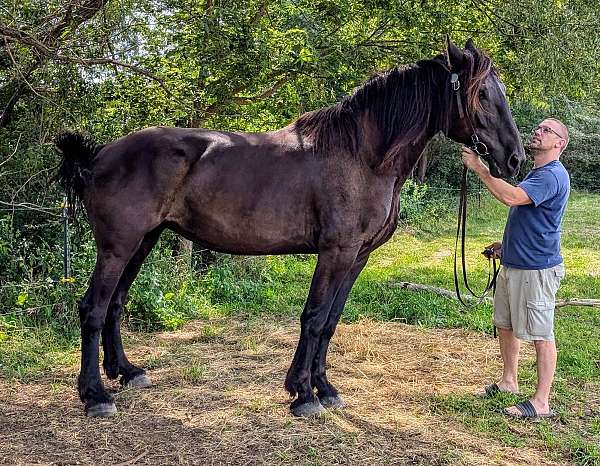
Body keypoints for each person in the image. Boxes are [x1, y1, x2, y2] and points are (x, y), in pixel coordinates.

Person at [461, 118, 570, 419]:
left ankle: (541, 402)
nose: (538, 131)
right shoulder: (538, 173)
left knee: (541, 333)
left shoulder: (551, 175)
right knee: (505, 325)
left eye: (547, 130)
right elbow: (530, 218)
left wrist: (481, 168)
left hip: (536, 270)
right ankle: (509, 381)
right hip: (515, 263)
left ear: (560, 143)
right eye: (539, 127)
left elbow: (511, 197)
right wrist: (505, 247)